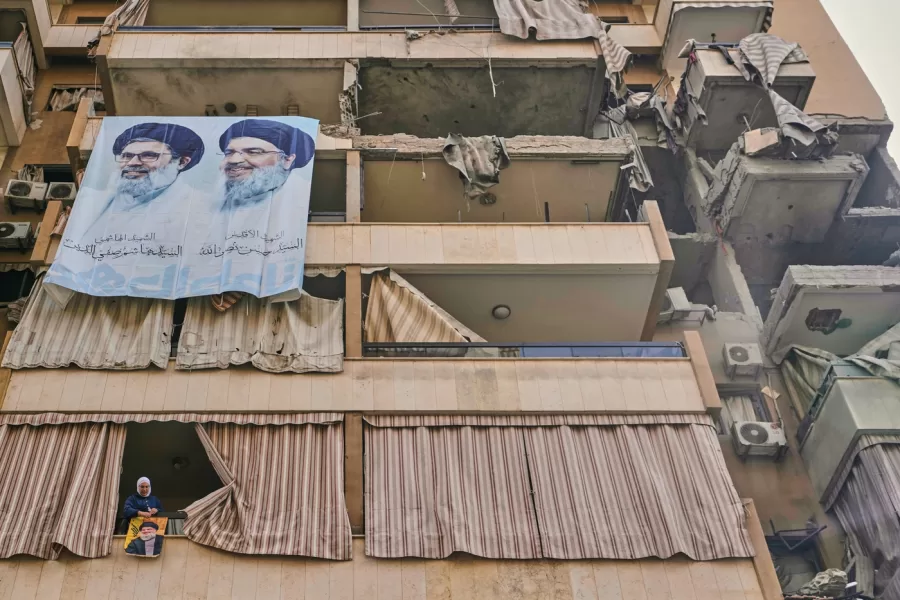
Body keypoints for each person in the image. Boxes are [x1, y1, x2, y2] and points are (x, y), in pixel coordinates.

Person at [216, 118, 315, 212]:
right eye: (229, 153)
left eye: (253, 152)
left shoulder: (305, 196)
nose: (234, 160)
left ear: (287, 160)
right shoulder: (212, 201)